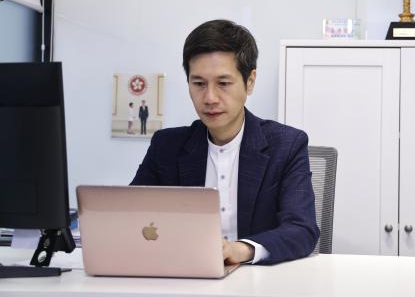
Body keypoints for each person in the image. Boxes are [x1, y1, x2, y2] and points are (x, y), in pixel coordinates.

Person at [130, 19, 319, 265]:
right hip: (184, 275)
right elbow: (128, 215)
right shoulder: (166, 146)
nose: (210, 98)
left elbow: (302, 229)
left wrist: (241, 250)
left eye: (223, 84)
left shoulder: (286, 145)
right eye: (199, 84)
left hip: (258, 279)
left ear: (250, 82)